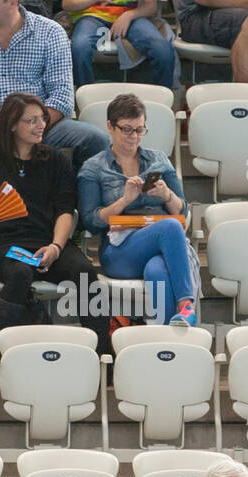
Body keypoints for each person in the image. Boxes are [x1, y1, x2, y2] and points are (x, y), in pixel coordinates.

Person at [0, 93, 110, 357]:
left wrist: (55, 247)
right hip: (2, 245)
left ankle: (102, 355)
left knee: (85, 271)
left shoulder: (56, 160)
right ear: (12, 125)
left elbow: (66, 210)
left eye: (42, 118)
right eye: (31, 120)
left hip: (47, 240)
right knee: (20, 273)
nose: (41, 125)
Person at [0, 0, 111, 205]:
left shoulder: (50, 32)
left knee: (96, 140)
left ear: (12, 2)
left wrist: (31, 125)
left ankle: (87, 219)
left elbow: (62, 97)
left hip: (41, 122)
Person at [78, 94, 196, 326]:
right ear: (110, 127)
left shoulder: (158, 159)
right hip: (120, 249)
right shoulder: (93, 167)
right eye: (127, 130)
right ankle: (187, 305)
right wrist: (123, 201)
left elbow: (183, 210)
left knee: (157, 271)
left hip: (161, 243)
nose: (134, 137)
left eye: (140, 130)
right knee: (170, 226)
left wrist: (166, 195)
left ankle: (170, 341)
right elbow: (91, 220)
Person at [63, 0, 178, 89]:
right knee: (80, 47)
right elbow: (67, 4)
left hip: (130, 18)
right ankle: (84, 99)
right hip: (91, 17)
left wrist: (128, 16)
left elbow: (151, 7)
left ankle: (160, 103)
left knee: (162, 49)